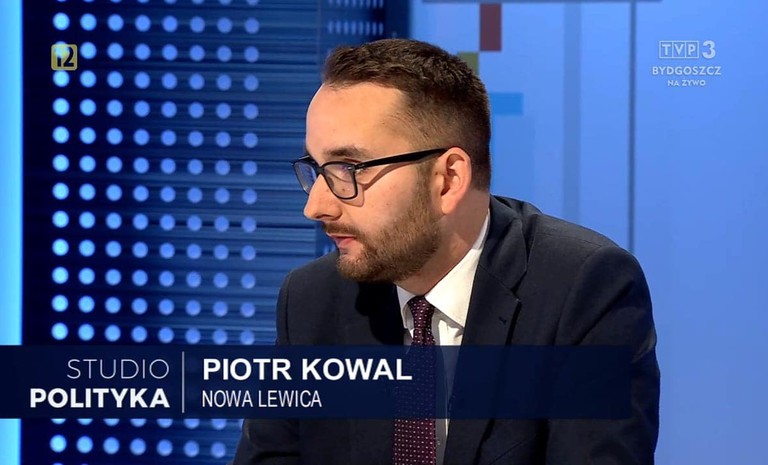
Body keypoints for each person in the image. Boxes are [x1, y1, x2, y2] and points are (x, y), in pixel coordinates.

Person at [231, 38, 659, 465]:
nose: (315, 206)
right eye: (316, 168)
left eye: (348, 169)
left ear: (448, 179)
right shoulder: (312, 299)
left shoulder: (583, 289)